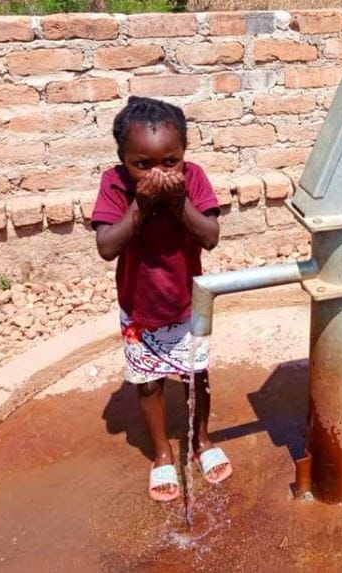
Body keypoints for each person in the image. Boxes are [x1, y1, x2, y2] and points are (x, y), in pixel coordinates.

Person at [92, 96, 232, 501]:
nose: (158, 173)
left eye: (170, 162)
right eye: (143, 164)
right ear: (123, 161)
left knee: (196, 376)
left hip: (187, 301)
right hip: (140, 306)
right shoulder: (115, 184)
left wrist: (177, 200)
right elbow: (107, 246)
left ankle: (201, 440)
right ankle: (162, 453)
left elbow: (210, 236)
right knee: (148, 382)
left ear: (184, 154)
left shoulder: (193, 178)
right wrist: (142, 203)